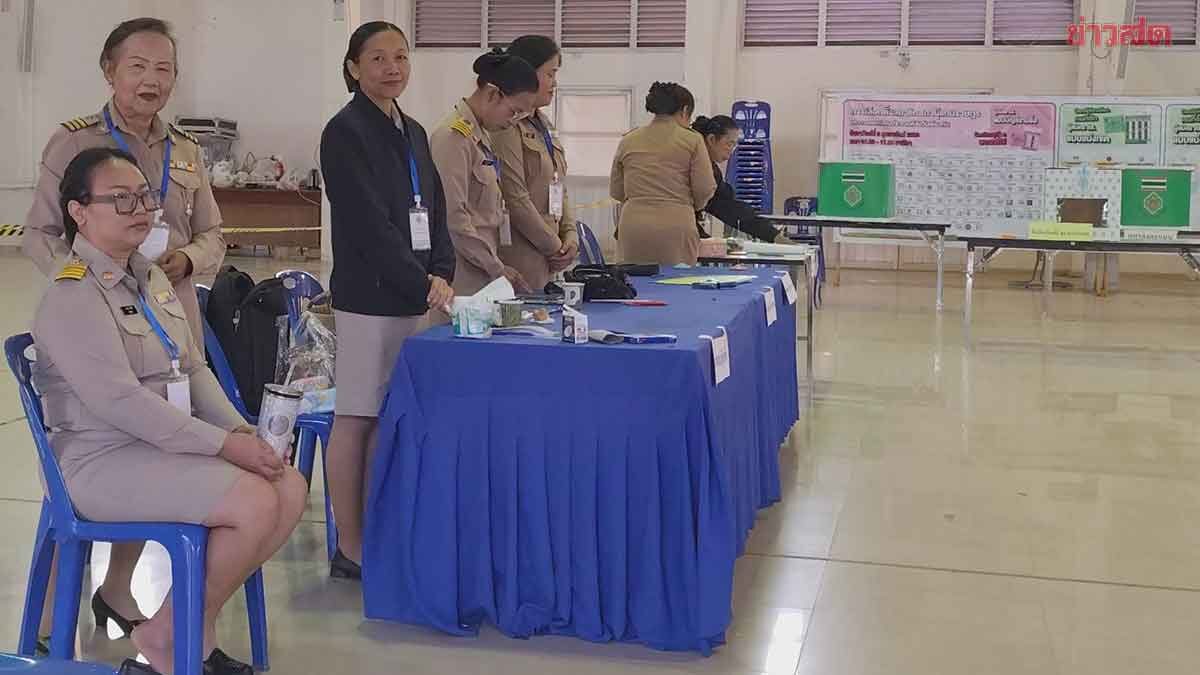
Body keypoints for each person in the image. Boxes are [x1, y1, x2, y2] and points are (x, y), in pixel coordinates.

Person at [33, 147, 306, 675]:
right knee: (252, 501)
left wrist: (242, 429)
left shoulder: (150, 278)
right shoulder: (72, 293)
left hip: (157, 449)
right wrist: (225, 446)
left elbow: (194, 369)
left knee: (288, 487)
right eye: (120, 199)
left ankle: (182, 635)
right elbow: (121, 403)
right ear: (78, 212)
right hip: (98, 462)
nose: (139, 208)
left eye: (144, 196)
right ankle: (169, 640)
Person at [21, 16, 227, 650]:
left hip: (168, 332)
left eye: (164, 69)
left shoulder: (187, 151)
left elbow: (215, 235)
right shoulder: (71, 143)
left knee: (166, 447)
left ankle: (118, 589)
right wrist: (95, 286)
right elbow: (39, 234)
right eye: (137, 66)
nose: (151, 80)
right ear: (110, 71)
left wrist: (185, 260)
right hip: (99, 340)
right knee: (92, 468)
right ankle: (57, 624)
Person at [319, 21, 455, 579]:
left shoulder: (414, 130)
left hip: (415, 293)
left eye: (400, 56)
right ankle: (350, 546)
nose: (392, 67)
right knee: (356, 415)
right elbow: (368, 224)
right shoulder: (345, 131)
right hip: (370, 297)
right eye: (377, 59)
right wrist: (419, 282)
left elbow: (435, 211)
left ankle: (379, 530)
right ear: (354, 68)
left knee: (388, 416)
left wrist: (442, 269)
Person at [430, 49, 541, 296]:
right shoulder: (454, 138)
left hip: (483, 267)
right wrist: (496, 267)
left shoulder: (481, 136)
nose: (514, 121)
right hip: (461, 273)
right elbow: (453, 218)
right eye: (513, 111)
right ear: (492, 94)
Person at [492, 35, 578, 291]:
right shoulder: (506, 126)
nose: (554, 83)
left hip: (551, 254)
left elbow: (559, 185)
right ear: (528, 74)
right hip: (522, 253)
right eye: (550, 74)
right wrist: (555, 247)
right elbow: (515, 198)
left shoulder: (544, 126)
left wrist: (570, 236)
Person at [609, 82, 716, 266]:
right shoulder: (692, 140)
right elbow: (705, 188)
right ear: (684, 111)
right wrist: (693, 206)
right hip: (676, 224)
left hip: (633, 225)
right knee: (676, 285)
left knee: (634, 286)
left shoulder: (629, 139)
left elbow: (616, 190)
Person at [691, 114, 792, 244]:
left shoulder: (710, 169)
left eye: (734, 145)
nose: (731, 151)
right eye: (729, 144)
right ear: (711, 139)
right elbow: (725, 206)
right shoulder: (696, 166)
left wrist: (773, 235)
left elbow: (728, 206)